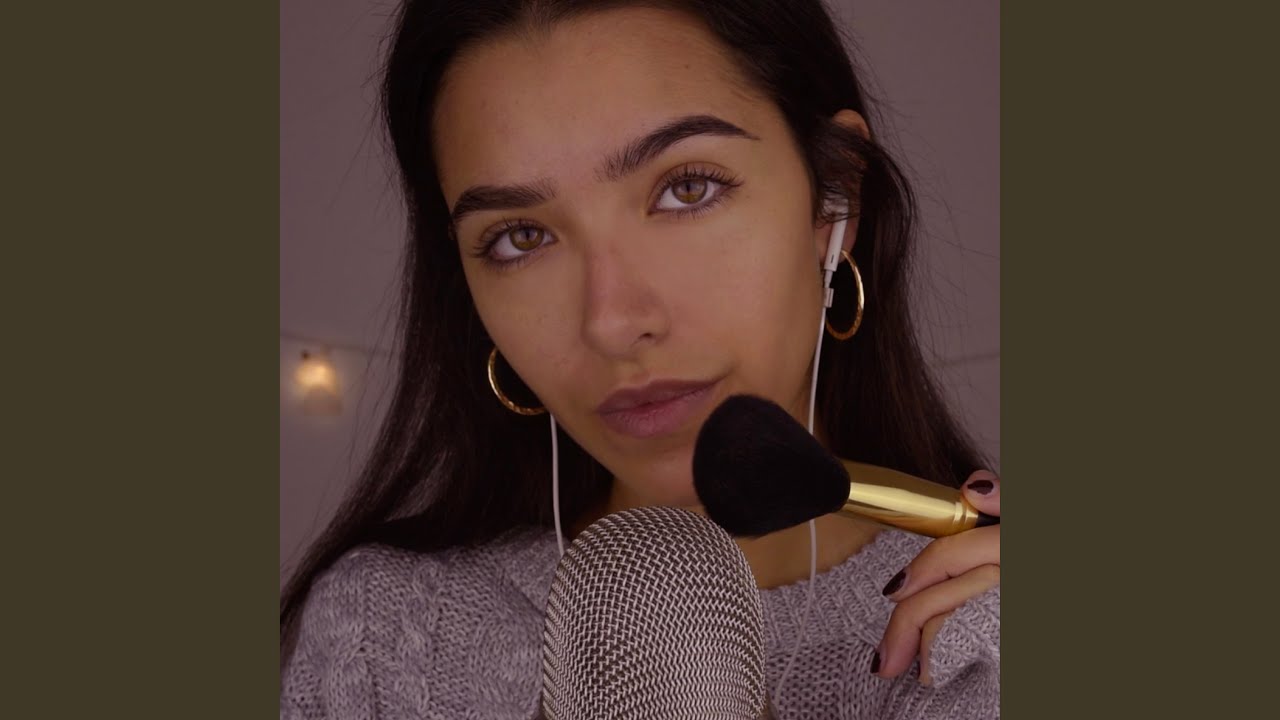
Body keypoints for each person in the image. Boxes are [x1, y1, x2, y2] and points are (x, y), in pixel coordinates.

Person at [280, 1, 1001, 717]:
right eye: (520, 237)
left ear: (835, 196)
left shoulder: (984, 645)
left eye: (687, 190)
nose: (612, 322)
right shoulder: (386, 642)